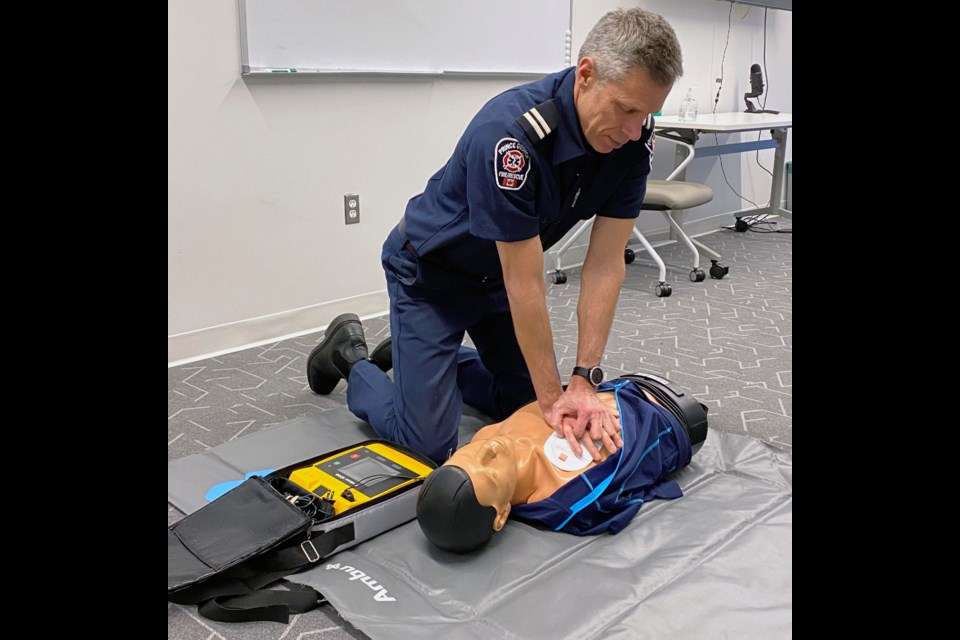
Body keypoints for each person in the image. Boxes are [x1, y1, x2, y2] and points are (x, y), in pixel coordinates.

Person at [307, 9, 685, 465]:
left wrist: (585, 378)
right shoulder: (510, 137)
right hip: (431, 278)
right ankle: (351, 359)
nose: (633, 129)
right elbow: (524, 281)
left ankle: (428, 363)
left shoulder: (632, 140)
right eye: (626, 108)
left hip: (498, 286)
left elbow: (605, 264)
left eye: (647, 113)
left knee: (520, 410)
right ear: (586, 74)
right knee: (426, 447)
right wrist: (553, 399)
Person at [416, 374, 708, 553]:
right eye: (490, 473)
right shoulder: (567, 497)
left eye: (468, 454)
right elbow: (634, 480)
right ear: (501, 515)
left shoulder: (485, 436)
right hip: (675, 416)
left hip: (620, 383)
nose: (489, 449)